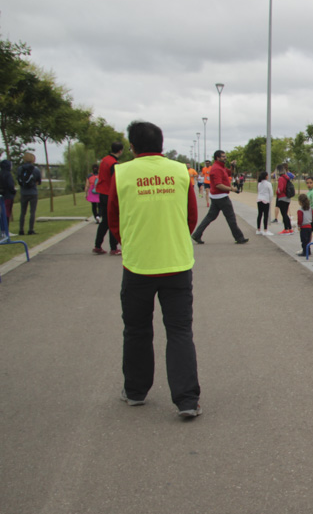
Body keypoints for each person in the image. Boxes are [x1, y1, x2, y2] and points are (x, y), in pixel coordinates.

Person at [108, 120, 202, 419]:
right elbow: (190, 217)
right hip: (177, 263)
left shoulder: (121, 172)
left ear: (132, 145)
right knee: (179, 332)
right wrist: (173, 240)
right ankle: (187, 400)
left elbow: (114, 219)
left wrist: (132, 243)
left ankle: (135, 392)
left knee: (136, 330)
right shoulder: (180, 171)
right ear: (161, 144)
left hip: (138, 266)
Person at [190, 149, 248, 245]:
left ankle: (197, 234)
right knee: (231, 217)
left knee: (210, 217)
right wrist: (231, 189)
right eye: (223, 157)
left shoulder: (220, 167)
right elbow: (218, 185)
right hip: (221, 197)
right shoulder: (216, 169)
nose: (225, 158)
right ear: (217, 157)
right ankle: (239, 237)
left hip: (216, 196)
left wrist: (232, 166)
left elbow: (230, 173)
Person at [93, 143, 123, 254]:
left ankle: (97, 245)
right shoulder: (114, 164)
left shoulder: (104, 160)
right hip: (109, 194)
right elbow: (116, 180)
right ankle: (114, 247)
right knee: (113, 219)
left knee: (105, 221)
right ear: (120, 151)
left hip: (102, 193)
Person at [16, 152, 43, 236]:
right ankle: (30, 230)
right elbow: (39, 181)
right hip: (33, 192)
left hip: (23, 192)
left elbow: (18, 179)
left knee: (23, 212)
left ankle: (21, 230)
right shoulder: (36, 170)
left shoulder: (20, 169)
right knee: (32, 212)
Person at [275, 164, 295, 234]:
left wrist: (277, 192)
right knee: (285, 213)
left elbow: (280, 188)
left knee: (284, 214)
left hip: (282, 197)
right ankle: (289, 228)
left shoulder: (281, 178)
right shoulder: (286, 177)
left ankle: (286, 228)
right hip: (287, 198)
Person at [295, 193, 313, 257]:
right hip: (309, 226)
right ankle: (308, 251)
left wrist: (299, 225)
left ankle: (304, 252)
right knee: (308, 240)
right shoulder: (310, 208)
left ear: (300, 202)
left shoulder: (300, 210)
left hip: (303, 227)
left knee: (304, 241)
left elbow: (300, 219)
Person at [255, 171, 273, 235]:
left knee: (259, 214)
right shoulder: (268, 184)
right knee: (265, 215)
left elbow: (259, 191)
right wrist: (270, 200)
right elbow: (271, 193)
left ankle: (258, 229)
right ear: (266, 176)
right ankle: (265, 230)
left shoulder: (259, 183)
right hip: (266, 200)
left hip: (259, 199)